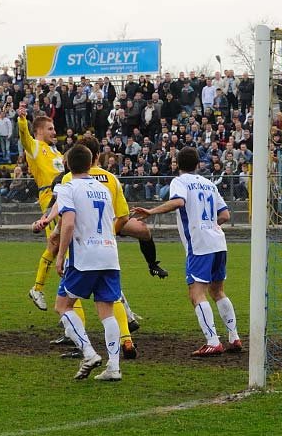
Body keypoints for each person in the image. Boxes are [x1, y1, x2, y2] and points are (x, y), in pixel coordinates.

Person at [33, 136, 169, 359]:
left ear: (71, 160)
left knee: (66, 301)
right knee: (111, 299)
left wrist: (49, 224)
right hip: (107, 247)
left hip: (82, 248)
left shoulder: (69, 178)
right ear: (96, 157)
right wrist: (109, 233)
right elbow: (123, 215)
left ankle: (84, 347)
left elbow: (64, 213)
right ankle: (124, 344)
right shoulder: (109, 181)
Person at [132, 147, 241, 357]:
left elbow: (179, 202)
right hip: (218, 242)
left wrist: (151, 211)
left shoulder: (179, 181)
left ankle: (212, 341)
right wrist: (209, 224)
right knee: (218, 291)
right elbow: (225, 215)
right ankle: (234, 337)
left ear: (177, 165)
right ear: (198, 164)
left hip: (199, 245)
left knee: (196, 294)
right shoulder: (209, 183)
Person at [53, 144, 123, 381]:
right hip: (109, 254)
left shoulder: (67, 187)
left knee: (63, 306)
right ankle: (114, 367)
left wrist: (61, 255)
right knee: (107, 311)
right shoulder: (102, 189)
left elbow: (70, 222)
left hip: (85, 256)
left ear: (68, 165)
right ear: (91, 163)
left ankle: (89, 352)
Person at [17, 105, 65, 312]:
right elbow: (24, 137)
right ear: (39, 131)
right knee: (62, 246)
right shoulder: (36, 146)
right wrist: (21, 120)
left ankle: (38, 289)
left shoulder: (56, 151)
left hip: (65, 196)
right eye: (50, 129)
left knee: (55, 247)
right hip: (50, 199)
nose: (54, 132)